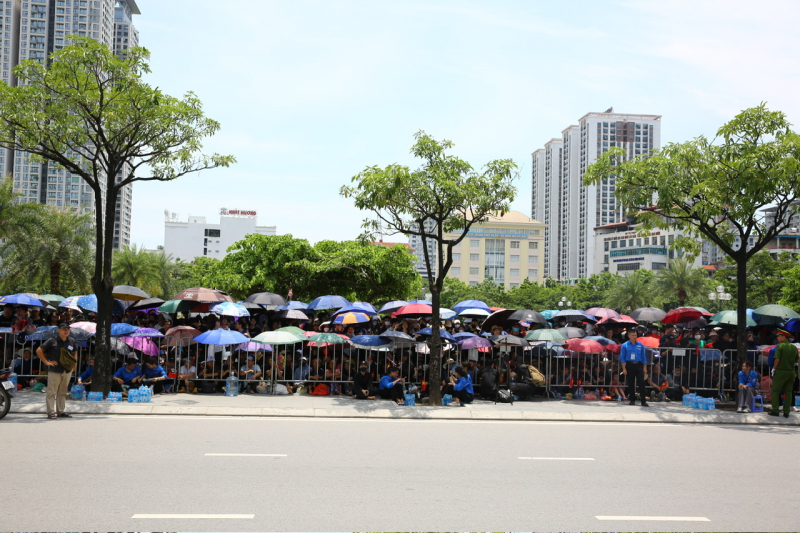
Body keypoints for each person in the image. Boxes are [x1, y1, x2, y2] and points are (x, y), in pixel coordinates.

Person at [36, 323, 77, 419]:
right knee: (51, 392)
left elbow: (75, 352)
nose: (66, 331)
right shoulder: (52, 341)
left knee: (63, 391)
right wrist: (46, 362)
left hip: (67, 370)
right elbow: (39, 350)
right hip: (55, 369)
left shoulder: (71, 341)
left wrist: (74, 364)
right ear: (58, 330)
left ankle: (61, 411)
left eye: (67, 329)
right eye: (64, 329)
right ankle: (51, 412)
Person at [769, 328, 798, 418]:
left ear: (783, 337)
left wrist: (774, 368)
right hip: (791, 372)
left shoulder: (780, 346)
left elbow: (777, 359)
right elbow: (797, 360)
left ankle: (775, 410)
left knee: (776, 391)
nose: (777, 338)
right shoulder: (794, 347)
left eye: (778, 336)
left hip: (781, 372)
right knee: (788, 392)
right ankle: (786, 412)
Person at [620, 329, 649, 406]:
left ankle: (643, 401)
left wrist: (645, 367)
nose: (634, 337)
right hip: (629, 364)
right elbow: (622, 358)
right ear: (629, 336)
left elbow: (644, 357)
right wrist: (624, 368)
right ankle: (632, 399)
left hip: (639, 364)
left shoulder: (640, 345)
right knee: (631, 382)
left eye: (635, 335)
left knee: (641, 383)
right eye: (633, 335)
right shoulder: (625, 345)